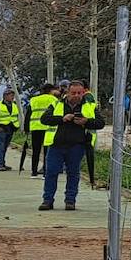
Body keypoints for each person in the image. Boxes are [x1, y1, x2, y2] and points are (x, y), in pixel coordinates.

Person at [40, 80, 102, 211]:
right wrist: (62, 118)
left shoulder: (89, 106)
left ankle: (70, 201)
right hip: (56, 145)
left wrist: (86, 121)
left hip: (77, 146)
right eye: (73, 93)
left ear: (83, 92)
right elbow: (44, 119)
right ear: (67, 93)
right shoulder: (57, 104)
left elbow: (100, 123)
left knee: (73, 174)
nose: (77, 95)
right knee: (51, 172)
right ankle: (47, 200)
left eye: (79, 93)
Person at [25, 83, 59, 176]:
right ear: (50, 91)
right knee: (47, 151)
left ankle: (34, 172)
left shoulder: (33, 100)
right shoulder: (54, 99)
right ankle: (45, 171)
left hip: (35, 127)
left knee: (36, 150)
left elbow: (28, 115)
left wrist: (26, 128)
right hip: (48, 128)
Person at [0, 87, 20, 171]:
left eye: (13, 95)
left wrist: (16, 127)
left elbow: (15, 117)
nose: (12, 97)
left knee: (4, 147)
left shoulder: (14, 105)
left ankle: (3, 163)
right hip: (2, 129)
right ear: (5, 96)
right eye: (10, 95)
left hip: (10, 129)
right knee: (0, 147)